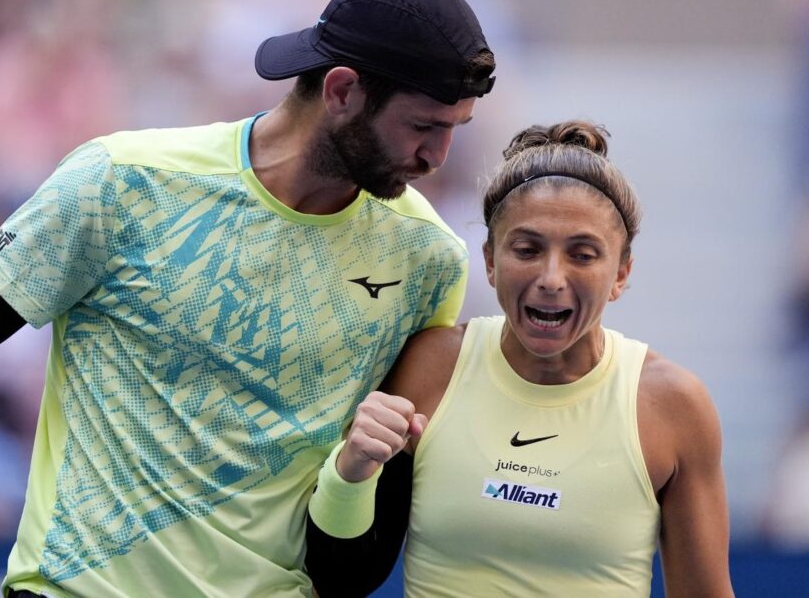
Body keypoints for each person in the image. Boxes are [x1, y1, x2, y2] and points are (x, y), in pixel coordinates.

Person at [0, 0, 496, 597]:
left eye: (452, 131)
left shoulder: (429, 260)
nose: (437, 157)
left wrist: (355, 475)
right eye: (423, 126)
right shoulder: (121, 182)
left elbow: (353, 559)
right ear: (341, 91)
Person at [304, 121, 734, 597]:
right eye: (527, 250)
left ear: (621, 273)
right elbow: (340, 577)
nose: (551, 277)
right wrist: (350, 472)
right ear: (489, 261)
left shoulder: (672, 405)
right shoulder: (433, 365)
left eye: (583, 255)